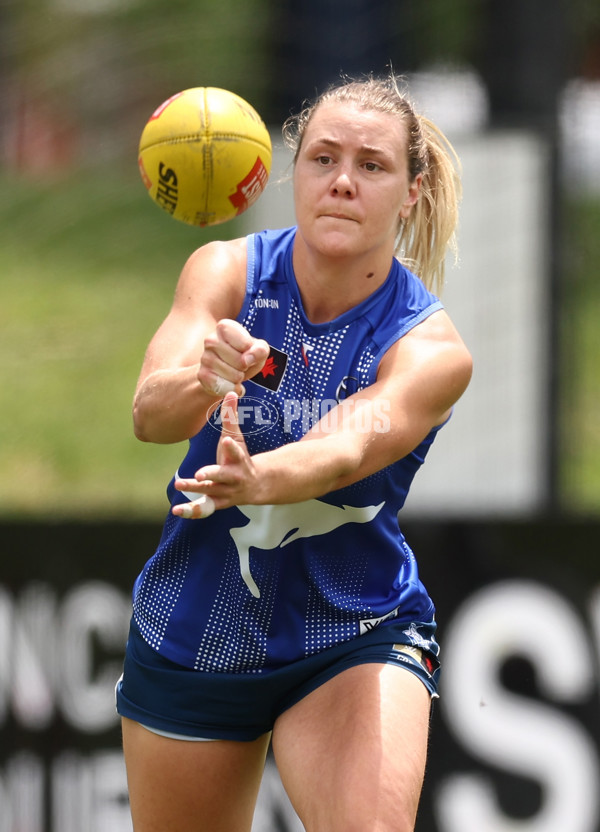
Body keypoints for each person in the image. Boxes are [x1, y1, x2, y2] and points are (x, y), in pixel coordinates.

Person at [116, 73, 473, 832]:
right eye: (324, 159)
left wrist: (254, 479)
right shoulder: (225, 271)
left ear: (410, 192)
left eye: (372, 165)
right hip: (194, 627)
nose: (342, 182)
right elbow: (149, 416)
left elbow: (343, 451)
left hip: (351, 631)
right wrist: (205, 377)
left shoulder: (432, 348)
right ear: (294, 171)